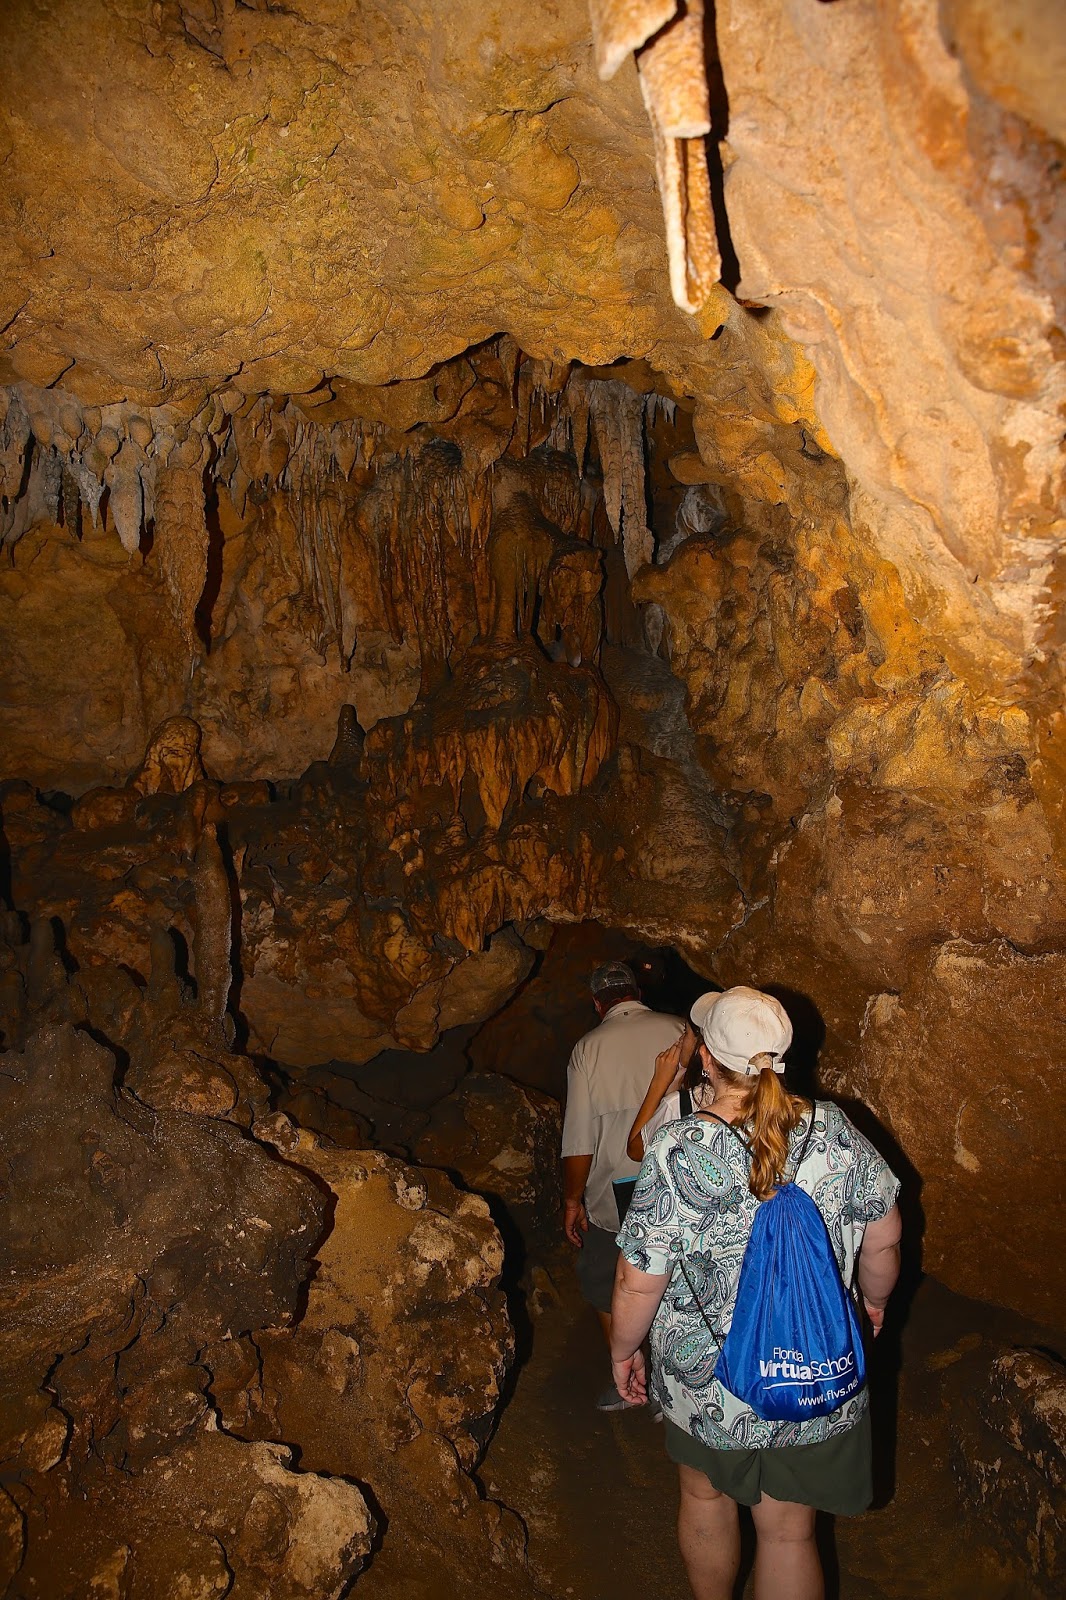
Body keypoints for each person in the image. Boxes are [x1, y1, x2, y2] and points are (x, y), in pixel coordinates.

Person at [610, 986, 902, 1600]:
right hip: (811, 1369)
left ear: (707, 1061)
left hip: (709, 1381)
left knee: (704, 1495)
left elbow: (639, 1278)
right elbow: (883, 1239)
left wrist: (622, 1350)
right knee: (791, 1533)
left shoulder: (679, 1149)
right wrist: (874, 1302)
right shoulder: (836, 1132)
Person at [560, 960, 684, 1411]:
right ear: (637, 991)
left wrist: (572, 1200)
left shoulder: (587, 1050)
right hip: (681, 1182)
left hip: (616, 1192)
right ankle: (676, 1385)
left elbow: (578, 1140)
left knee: (606, 1282)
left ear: (598, 1003)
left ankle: (629, 1377)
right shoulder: (678, 1029)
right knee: (679, 1281)